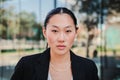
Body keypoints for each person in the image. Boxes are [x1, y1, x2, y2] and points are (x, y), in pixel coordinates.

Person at [10, 7, 99, 80]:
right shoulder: (26, 65)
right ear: (45, 32)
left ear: (75, 32)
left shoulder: (88, 67)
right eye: (55, 31)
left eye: (68, 31)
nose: (61, 38)